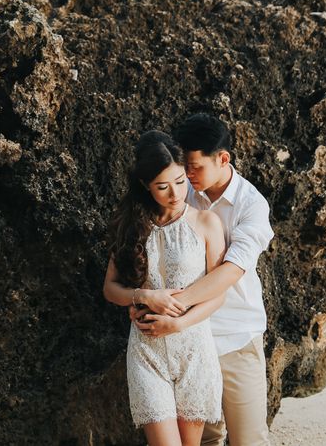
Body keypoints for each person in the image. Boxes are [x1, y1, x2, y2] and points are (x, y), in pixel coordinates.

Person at [137, 114, 274, 446]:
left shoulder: (251, 205)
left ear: (223, 159)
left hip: (235, 337)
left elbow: (231, 271)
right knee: (205, 441)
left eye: (195, 167)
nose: (187, 175)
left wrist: (173, 306)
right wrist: (143, 301)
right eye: (185, 167)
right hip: (190, 344)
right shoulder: (181, 191)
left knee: (248, 439)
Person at [103, 131, 227, 446]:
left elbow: (218, 293)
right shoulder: (130, 226)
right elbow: (110, 289)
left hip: (194, 350)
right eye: (162, 186)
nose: (175, 193)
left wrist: (179, 322)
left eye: (180, 181)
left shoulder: (206, 223)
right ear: (146, 186)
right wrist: (142, 295)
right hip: (146, 352)